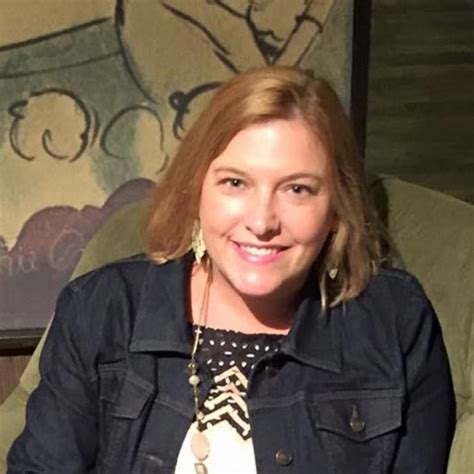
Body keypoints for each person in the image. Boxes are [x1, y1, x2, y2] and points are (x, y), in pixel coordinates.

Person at [7, 66, 454, 473]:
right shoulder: (103, 309)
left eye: (297, 189)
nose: (261, 222)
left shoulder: (393, 320)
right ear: (196, 190)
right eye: (235, 183)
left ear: (336, 208)